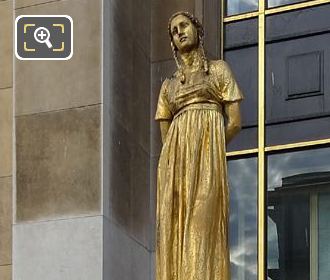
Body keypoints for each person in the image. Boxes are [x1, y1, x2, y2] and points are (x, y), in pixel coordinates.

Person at [155, 11, 243, 280]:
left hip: (208, 161)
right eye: (174, 30)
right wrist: (180, 156)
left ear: (197, 29)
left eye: (184, 25)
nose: (179, 32)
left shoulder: (218, 70)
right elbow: (166, 135)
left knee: (202, 229)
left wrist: (209, 149)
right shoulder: (169, 86)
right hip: (176, 167)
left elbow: (235, 121)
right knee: (173, 231)